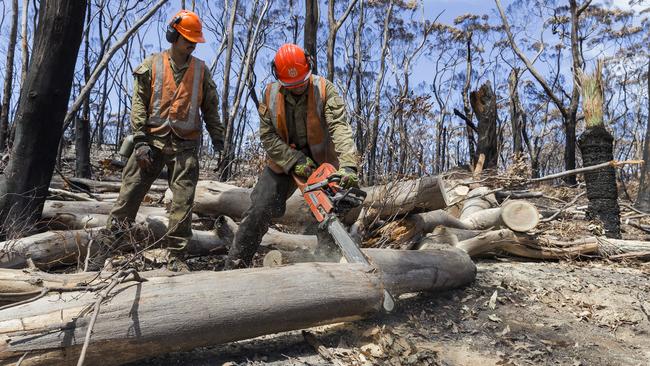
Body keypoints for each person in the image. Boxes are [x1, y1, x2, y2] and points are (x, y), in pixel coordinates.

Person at [103, 10, 224, 270]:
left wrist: (219, 139)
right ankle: (110, 247)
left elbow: (211, 109)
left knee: (182, 204)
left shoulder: (202, 71)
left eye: (194, 40)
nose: (191, 44)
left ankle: (176, 257)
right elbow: (139, 106)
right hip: (151, 142)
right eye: (186, 39)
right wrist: (139, 140)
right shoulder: (152, 65)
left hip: (185, 146)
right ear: (173, 35)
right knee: (128, 197)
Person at [226, 43, 359, 268]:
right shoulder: (270, 94)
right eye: (291, 85)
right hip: (283, 162)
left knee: (330, 212)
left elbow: (340, 128)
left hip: (321, 162)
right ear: (279, 77)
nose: (297, 88)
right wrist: (294, 159)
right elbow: (268, 137)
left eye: (301, 83)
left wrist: (348, 165)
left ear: (309, 67)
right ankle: (235, 264)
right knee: (260, 206)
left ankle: (330, 267)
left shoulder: (324, 89)